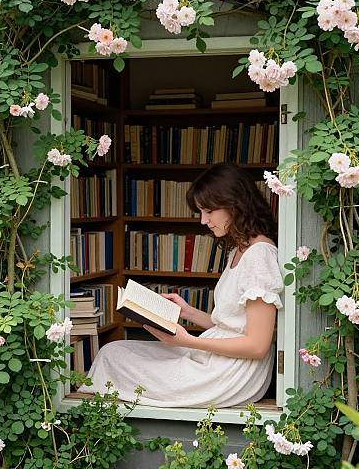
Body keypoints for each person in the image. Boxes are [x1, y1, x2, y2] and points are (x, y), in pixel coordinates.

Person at [78, 163, 284, 408]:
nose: (203, 221)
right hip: (217, 359)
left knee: (116, 361)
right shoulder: (240, 249)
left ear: (235, 204)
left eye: (208, 211)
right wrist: (188, 312)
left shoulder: (260, 255)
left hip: (231, 373)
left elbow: (257, 345)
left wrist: (187, 341)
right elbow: (232, 325)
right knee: (114, 351)